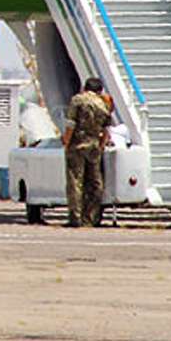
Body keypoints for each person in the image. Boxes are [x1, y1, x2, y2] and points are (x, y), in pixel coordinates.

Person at [61, 77, 115, 228]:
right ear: (99, 90)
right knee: (95, 183)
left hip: (77, 145)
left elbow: (71, 124)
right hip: (94, 146)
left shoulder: (77, 100)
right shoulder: (103, 103)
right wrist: (101, 145)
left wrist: (66, 140)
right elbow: (106, 130)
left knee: (75, 182)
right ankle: (91, 218)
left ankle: (75, 218)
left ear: (85, 87)